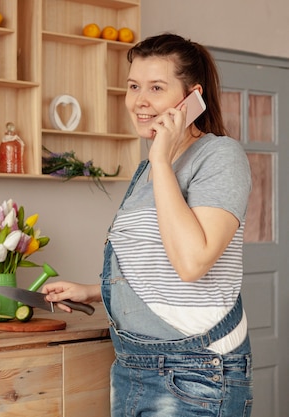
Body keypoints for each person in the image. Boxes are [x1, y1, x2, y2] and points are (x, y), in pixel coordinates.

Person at [43, 34, 253, 416]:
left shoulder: (220, 156)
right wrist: (94, 291)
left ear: (192, 97)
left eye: (156, 87)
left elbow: (192, 263)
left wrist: (160, 159)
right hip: (133, 367)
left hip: (195, 372)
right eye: (134, 86)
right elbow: (159, 260)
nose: (140, 101)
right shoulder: (152, 170)